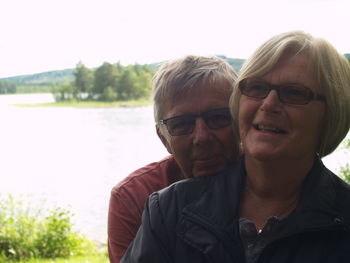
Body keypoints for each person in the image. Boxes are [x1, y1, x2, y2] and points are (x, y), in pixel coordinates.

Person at [120, 31, 350, 263]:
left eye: (294, 93)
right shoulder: (168, 210)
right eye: (257, 88)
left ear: (332, 113)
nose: (268, 104)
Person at [107, 55, 240, 262]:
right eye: (182, 124)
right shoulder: (132, 196)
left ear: (241, 122)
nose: (202, 137)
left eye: (218, 118)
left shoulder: (271, 178)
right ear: (164, 138)